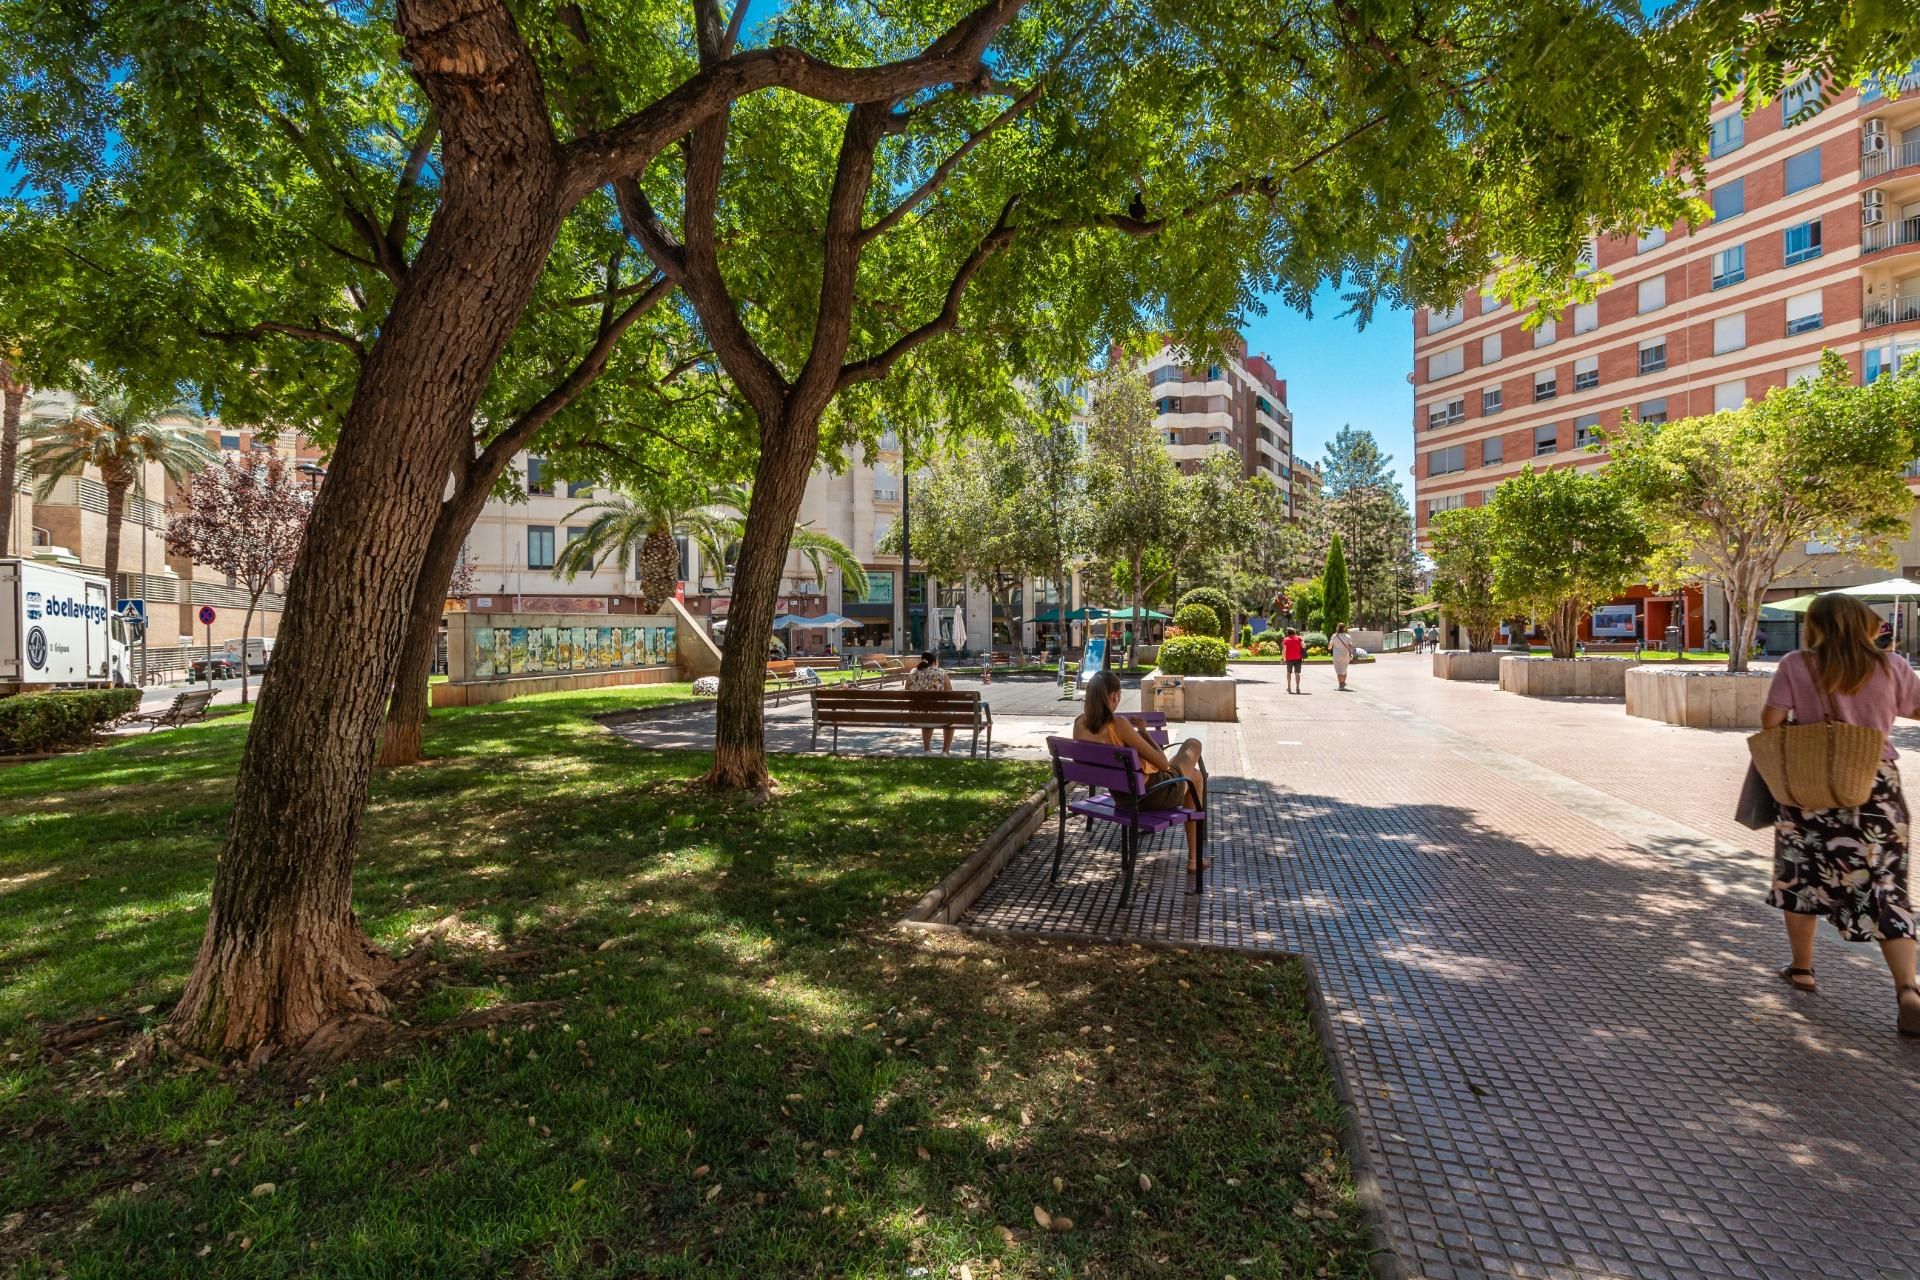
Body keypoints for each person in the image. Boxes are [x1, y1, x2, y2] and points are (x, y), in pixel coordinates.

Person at [1760, 594, 1920, 1036]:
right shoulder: (1892, 665)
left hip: (1809, 786)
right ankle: (1908, 988)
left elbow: (1770, 721)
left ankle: (1803, 970)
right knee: (1885, 884)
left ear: (1817, 624)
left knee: (1801, 873)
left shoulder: (1796, 663)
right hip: (1877, 785)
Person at [1073, 670, 1209, 881]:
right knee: (1193, 744)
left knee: (1196, 777)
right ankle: (1194, 858)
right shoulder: (1118, 724)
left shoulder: (1079, 724)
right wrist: (1144, 732)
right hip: (1152, 795)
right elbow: (1163, 763)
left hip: (1121, 797)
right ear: (1115, 696)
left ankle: (1195, 858)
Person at [903, 650, 955, 754]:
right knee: (950, 717)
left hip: (915, 717)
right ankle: (945, 751)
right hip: (937, 716)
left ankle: (927, 750)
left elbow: (906, 692)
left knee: (926, 714)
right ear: (935, 661)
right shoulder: (941, 673)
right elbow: (950, 694)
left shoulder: (912, 673)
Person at [1329, 623, 1356, 691]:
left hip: (1337, 655)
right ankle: (1343, 683)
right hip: (1345, 655)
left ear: (1337, 628)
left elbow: (1330, 646)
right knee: (1344, 669)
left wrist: (1330, 647)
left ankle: (1341, 685)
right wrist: (1350, 654)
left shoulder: (1334, 636)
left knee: (1338, 670)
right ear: (1344, 628)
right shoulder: (1348, 636)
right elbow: (1349, 646)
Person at [1282, 627, 1305, 694]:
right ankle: (1297, 688)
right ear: (1294, 632)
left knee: (1289, 673)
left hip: (1289, 659)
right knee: (1297, 673)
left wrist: (1282, 658)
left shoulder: (1286, 639)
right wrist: (1302, 640)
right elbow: (1304, 646)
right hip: (1298, 658)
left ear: (1288, 633)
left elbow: (1284, 650)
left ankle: (1289, 688)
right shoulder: (1299, 638)